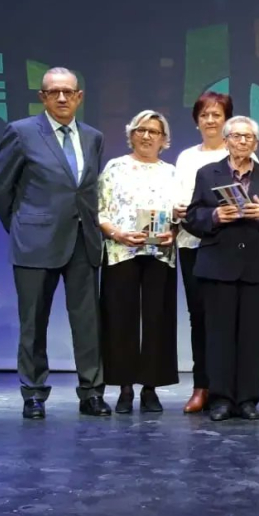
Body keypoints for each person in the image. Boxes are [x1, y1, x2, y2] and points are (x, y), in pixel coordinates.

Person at [0, 67, 110, 419]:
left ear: (79, 97)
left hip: (83, 241)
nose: (61, 98)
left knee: (88, 323)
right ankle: (34, 393)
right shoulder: (22, 132)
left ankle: (91, 392)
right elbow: (1, 189)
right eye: (53, 92)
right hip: (35, 241)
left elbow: (85, 191)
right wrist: (21, 227)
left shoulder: (93, 137)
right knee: (33, 322)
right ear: (42, 97)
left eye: (68, 92)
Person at [185, 116, 259, 421]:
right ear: (226, 139)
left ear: (256, 143)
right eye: (236, 136)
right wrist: (216, 216)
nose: (242, 142)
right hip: (218, 265)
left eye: (248, 138)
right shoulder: (208, 174)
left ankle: (247, 400)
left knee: (252, 337)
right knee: (218, 336)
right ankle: (220, 399)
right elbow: (192, 218)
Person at [97, 110, 179, 414]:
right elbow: (99, 210)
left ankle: (151, 388)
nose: (147, 136)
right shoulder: (115, 168)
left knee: (157, 320)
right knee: (120, 321)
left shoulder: (171, 172)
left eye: (154, 132)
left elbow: (180, 212)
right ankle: (124, 387)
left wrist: (175, 230)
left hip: (160, 254)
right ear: (131, 134)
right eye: (141, 130)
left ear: (164, 139)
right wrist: (117, 233)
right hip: (121, 252)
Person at [172, 92, 233, 414]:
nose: (211, 120)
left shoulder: (238, 152)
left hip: (228, 247)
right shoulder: (185, 157)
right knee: (199, 318)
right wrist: (179, 208)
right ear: (197, 120)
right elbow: (179, 199)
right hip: (192, 244)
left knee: (226, 319)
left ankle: (227, 386)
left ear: (227, 121)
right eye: (205, 115)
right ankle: (201, 386)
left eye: (217, 115)